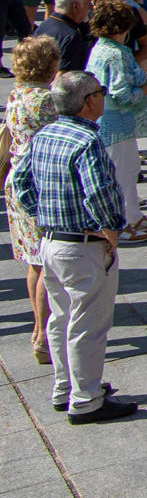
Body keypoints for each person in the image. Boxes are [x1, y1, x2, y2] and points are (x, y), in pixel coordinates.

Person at [19, 71, 139, 421]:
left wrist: (42, 215)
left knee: (61, 319)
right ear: (89, 101)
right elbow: (99, 193)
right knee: (87, 325)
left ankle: (65, 387)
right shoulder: (87, 141)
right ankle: (86, 400)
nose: (102, 97)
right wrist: (112, 232)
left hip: (52, 241)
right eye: (99, 93)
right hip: (83, 245)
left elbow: (20, 181)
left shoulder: (44, 134)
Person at [4, 35, 62, 362]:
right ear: (49, 63)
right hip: (39, 183)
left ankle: (37, 328)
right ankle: (43, 337)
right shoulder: (45, 99)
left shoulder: (16, 94)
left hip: (17, 182)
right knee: (46, 262)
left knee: (33, 260)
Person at [83, 0, 147, 238]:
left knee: (128, 170)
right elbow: (121, 94)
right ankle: (123, 225)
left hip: (113, 123)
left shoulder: (102, 48)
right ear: (123, 27)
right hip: (116, 124)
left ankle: (134, 217)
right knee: (122, 175)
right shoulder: (117, 54)